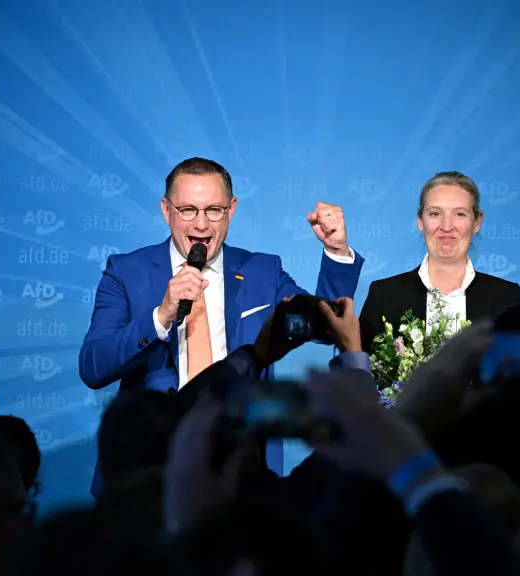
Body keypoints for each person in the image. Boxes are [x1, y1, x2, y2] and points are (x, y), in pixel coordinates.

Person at [79, 157, 363, 491]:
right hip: (152, 469)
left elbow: (325, 324)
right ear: (166, 210)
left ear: (231, 209)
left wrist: (336, 251)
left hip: (245, 466)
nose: (201, 225)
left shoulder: (262, 271)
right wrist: (160, 317)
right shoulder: (126, 272)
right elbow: (94, 367)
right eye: (188, 210)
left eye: (214, 210)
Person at [358, 171, 520, 354]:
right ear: (420, 220)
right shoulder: (384, 295)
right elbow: (355, 370)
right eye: (435, 213)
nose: (446, 227)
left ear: (477, 222)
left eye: (459, 214)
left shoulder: (505, 297)